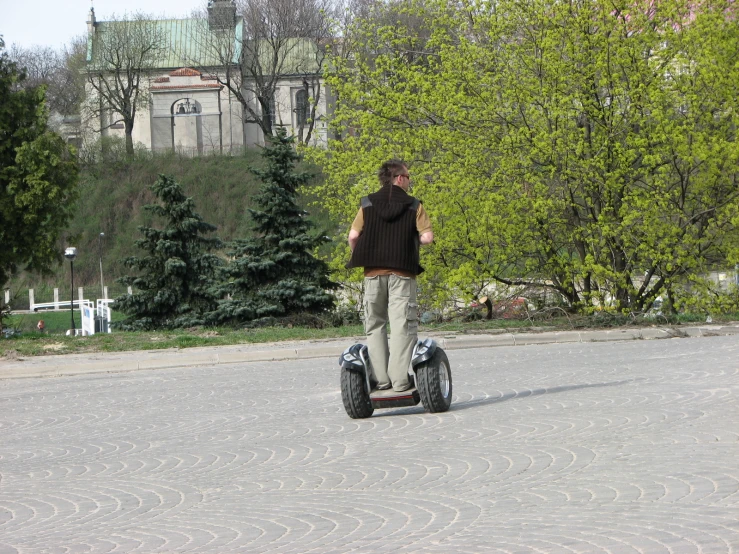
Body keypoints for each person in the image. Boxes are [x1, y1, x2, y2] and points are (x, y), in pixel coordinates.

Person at [346, 160, 434, 392]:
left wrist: (364, 254)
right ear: (399, 178)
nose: (410, 179)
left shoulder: (367, 203)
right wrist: (409, 241)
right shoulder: (414, 205)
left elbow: (353, 236)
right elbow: (427, 238)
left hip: (373, 273)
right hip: (402, 273)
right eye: (408, 175)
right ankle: (400, 381)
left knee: (374, 324)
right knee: (401, 324)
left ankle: (381, 380)